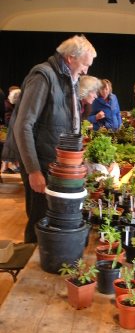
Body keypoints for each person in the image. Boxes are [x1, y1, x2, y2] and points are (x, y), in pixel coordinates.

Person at [12, 34, 97, 243]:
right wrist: (33, 170)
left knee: (52, 219)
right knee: (39, 220)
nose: (86, 70)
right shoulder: (44, 76)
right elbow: (23, 125)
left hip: (59, 165)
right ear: (70, 58)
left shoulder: (69, 80)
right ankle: (29, 271)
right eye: (85, 65)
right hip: (42, 164)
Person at [1, 86, 21, 174]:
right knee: (7, 146)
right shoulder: (8, 105)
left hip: (6, 128)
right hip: (6, 128)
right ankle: (6, 167)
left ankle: (11, 166)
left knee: (7, 147)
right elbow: (6, 117)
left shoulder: (11, 105)